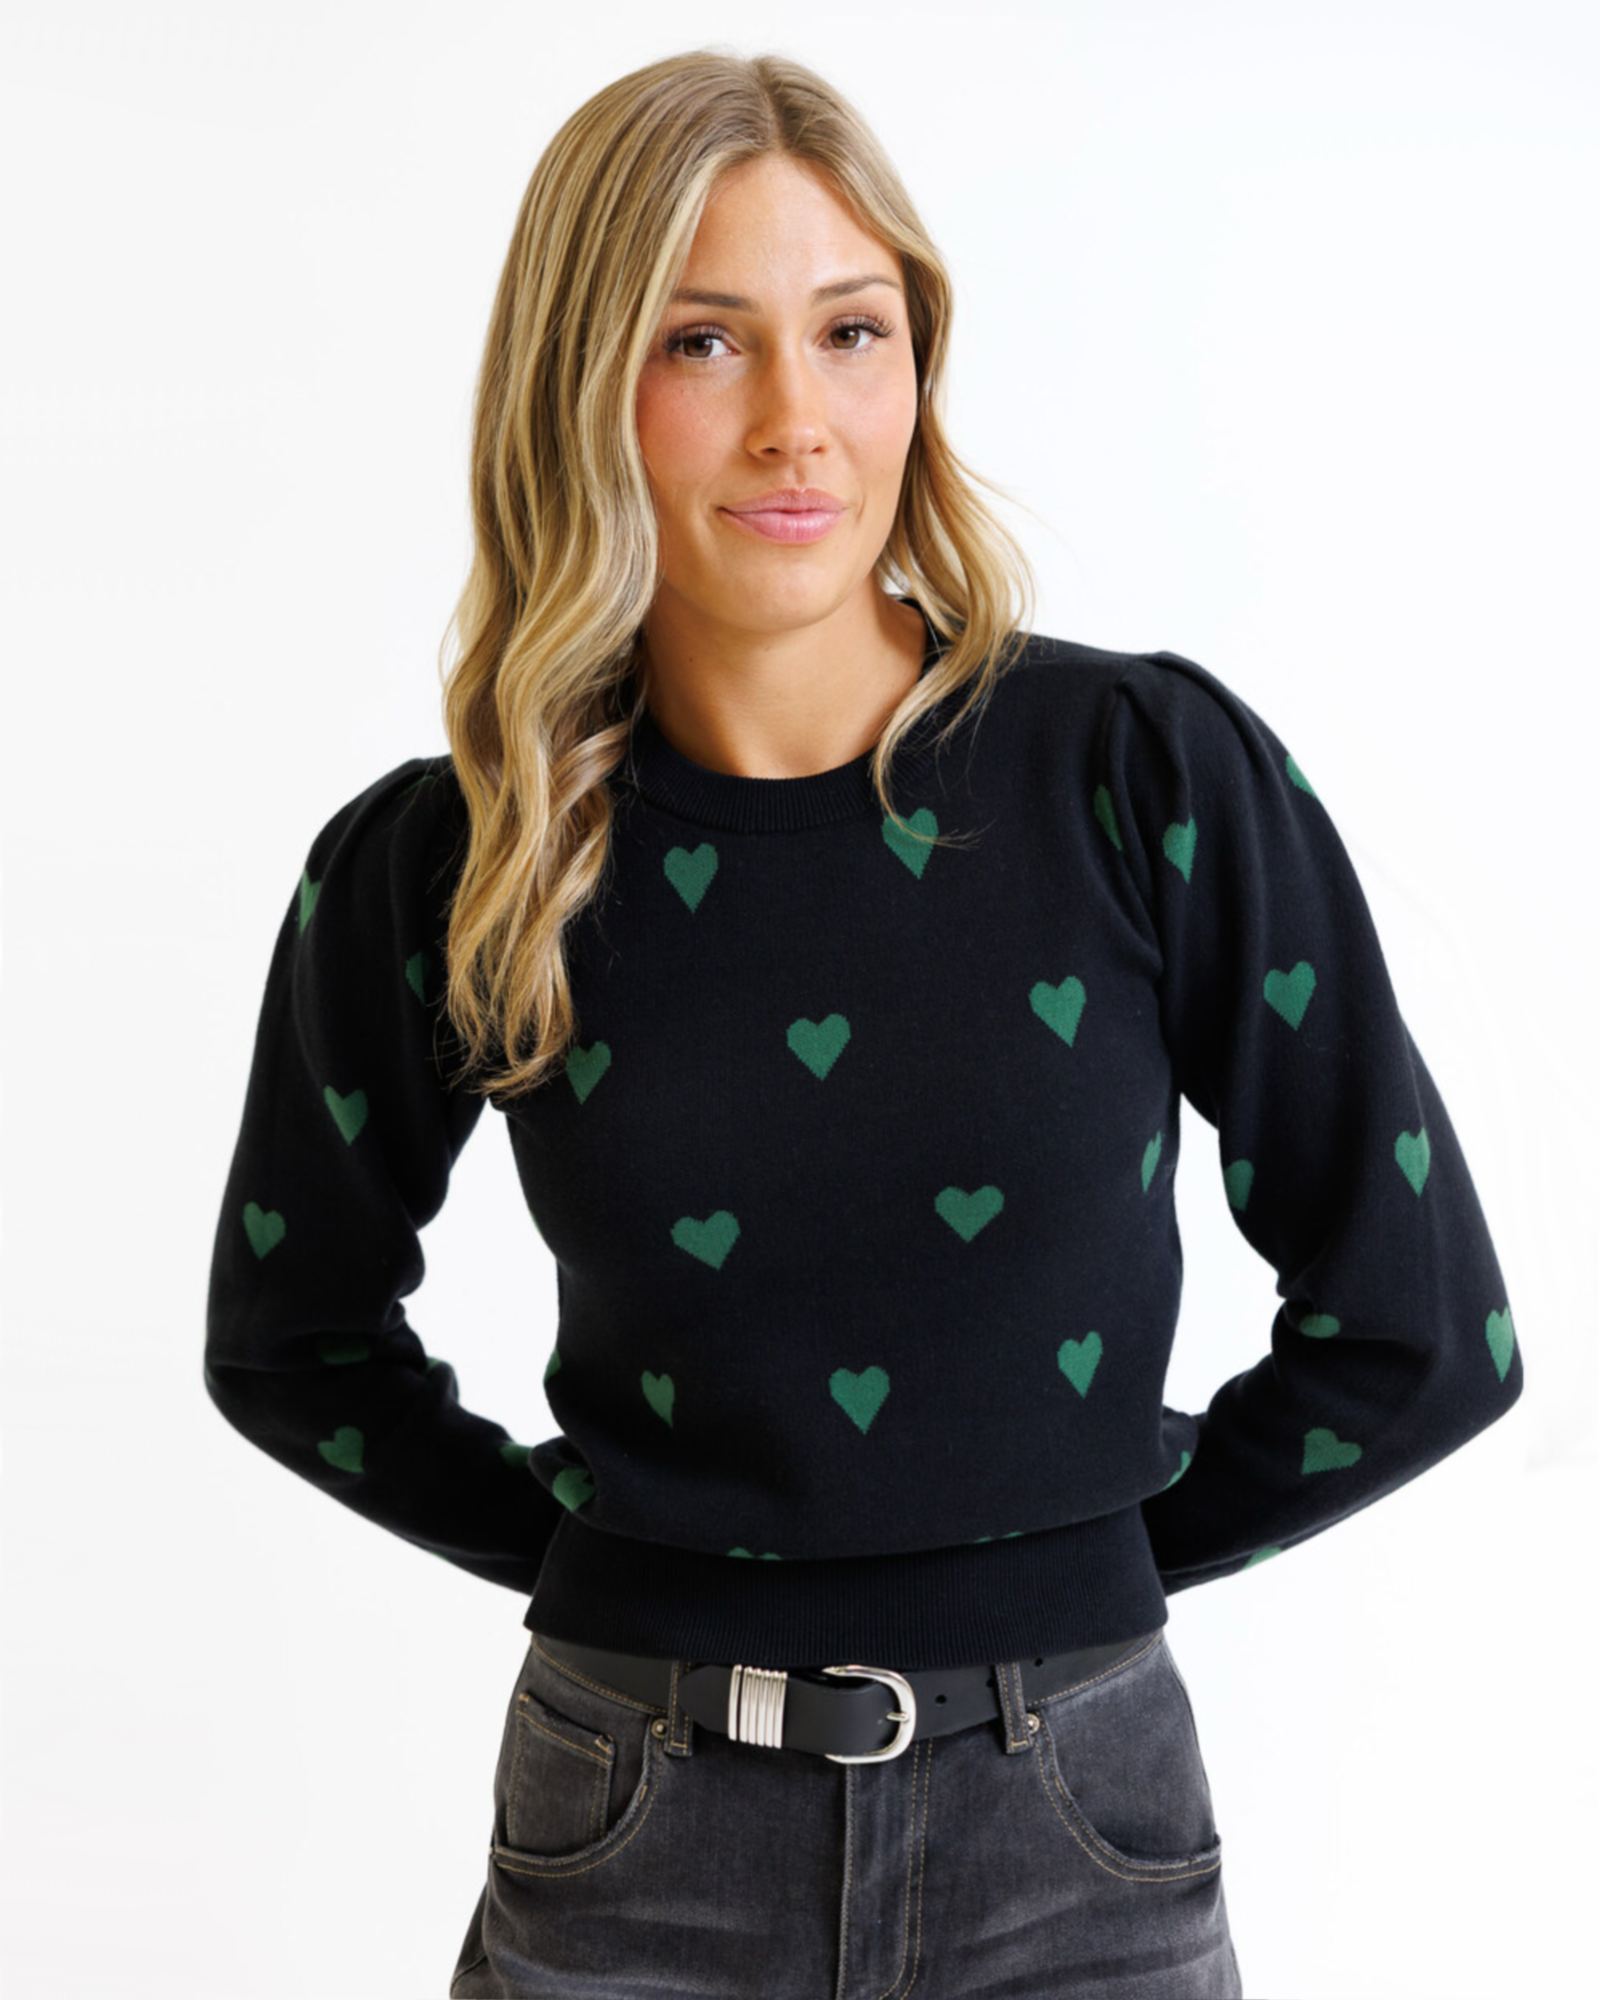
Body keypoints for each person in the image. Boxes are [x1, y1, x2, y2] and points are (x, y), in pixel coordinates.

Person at [204, 46, 1524, 2000]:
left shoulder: (1141, 773)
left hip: (1075, 1834)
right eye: (702, 342)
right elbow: (289, 1339)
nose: (796, 423)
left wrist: (1064, 1557)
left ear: (918, 363)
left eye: (850, 331)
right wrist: (617, 1559)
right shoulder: (448, 860)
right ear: (582, 385)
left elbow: (1425, 1335)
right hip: (626, 1833)